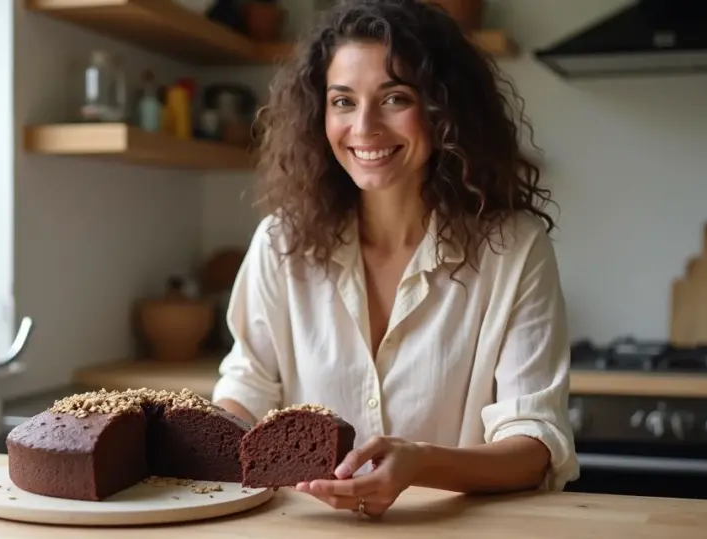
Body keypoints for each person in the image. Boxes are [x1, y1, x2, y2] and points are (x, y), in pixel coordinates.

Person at [211, 0, 579, 519]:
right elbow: (246, 391)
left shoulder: (514, 248)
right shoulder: (280, 243)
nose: (364, 127)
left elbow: (536, 444)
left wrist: (421, 464)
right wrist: (198, 434)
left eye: (395, 97)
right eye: (342, 101)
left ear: (444, 109)